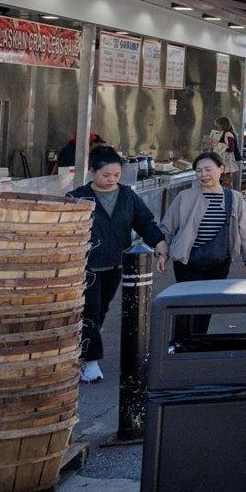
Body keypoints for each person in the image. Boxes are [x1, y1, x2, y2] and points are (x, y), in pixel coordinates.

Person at [69, 146, 167, 383]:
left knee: (100, 310)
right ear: (92, 171)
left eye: (116, 175)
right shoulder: (77, 198)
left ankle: (80, 350)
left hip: (115, 265)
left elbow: (145, 222)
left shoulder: (127, 196)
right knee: (89, 312)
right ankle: (90, 363)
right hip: (85, 265)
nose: (111, 180)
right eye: (106, 175)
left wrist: (159, 243)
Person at [161, 152, 246, 284]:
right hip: (186, 262)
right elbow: (168, 227)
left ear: (221, 169)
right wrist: (163, 255)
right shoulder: (184, 197)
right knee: (187, 301)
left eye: (208, 169)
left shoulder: (234, 198)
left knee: (212, 300)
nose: (203, 174)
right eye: (199, 171)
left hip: (219, 262)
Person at [213, 115, 241, 187]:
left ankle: (228, 193)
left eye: (218, 125)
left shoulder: (228, 134)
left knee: (226, 178)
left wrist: (219, 146)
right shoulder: (226, 133)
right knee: (225, 177)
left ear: (223, 125)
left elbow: (231, 148)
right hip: (226, 160)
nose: (218, 127)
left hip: (227, 160)